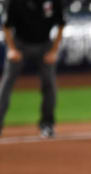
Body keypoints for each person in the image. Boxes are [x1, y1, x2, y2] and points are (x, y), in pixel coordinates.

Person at [0, 0, 66, 138]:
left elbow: (61, 25)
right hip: (20, 44)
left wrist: (54, 51)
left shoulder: (53, 2)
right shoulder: (16, 3)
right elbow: (6, 26)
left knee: (49, 84)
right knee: (6, 83)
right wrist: (11, 49)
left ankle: (47, 124)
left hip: (44, 45)